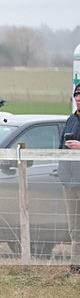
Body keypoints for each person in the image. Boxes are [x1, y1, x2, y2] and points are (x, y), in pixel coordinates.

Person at [59, 84, 80, 276]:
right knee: (74, 228)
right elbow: (60, 148)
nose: (79, 99)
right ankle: (75, 268)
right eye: (77, 96)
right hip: (70, 182)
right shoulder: (71, 120)